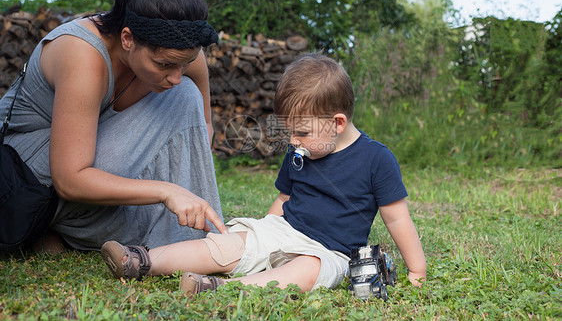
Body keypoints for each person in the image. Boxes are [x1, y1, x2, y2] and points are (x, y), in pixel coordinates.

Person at [100, 53, 427, 294]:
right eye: (290, 132)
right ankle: (141, 260)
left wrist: (417, 270)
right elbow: (284, 197)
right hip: (285, 230)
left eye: (300, 132)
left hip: (330, 251)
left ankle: (219, 288)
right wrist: (261, 239)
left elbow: (397, 218)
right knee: (227, 245)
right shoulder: (300, 149)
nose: (293, 141)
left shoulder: (377, 160)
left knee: (307, 270)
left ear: (337, 123)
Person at [0, 0, 227, 252]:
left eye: (184, 63)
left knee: (184, 94)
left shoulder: (180, 53)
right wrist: (166, 190)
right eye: (164, 65)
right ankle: (68, 231)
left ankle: (182, 236)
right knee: (182, 94)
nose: (175, 75)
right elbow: (69, 179)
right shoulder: (83, 55)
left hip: (86, 168)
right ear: (127, 38)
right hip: (29, 176)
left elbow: (202, 130)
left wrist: (180, 185)